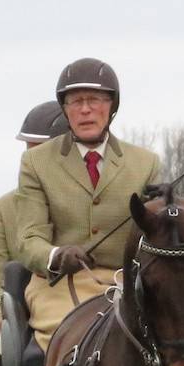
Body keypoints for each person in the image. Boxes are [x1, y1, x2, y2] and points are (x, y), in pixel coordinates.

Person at [16, 57, 160, 350]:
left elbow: (155, 236)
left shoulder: (145, 163)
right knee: (80, 341)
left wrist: (167, 205)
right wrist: (56, 256)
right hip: (58, 286)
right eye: (75, 101)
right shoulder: (36, 162)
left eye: (94, 99)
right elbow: (28, 239)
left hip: (128, 284)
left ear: (112, 105)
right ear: (65, 109)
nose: (85, 109)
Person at [0, 101, 70, 336]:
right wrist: (3, 309)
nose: (30, 162)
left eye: (39, 153)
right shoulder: (4, 210)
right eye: (28, 152)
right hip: (27, 326)